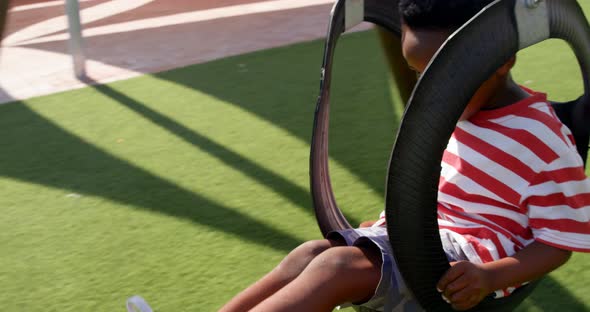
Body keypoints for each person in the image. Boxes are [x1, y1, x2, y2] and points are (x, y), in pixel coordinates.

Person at [218, 0, 590, 311]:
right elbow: (447, 191)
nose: (433, 93)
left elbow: (557, 244)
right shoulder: (457, 111)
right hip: (425, 237)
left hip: (462, 269)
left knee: (336, 268)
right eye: (418, 75)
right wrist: (387, 231)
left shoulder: (545, 141)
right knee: (311, 253)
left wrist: (490, 276)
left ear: (502, 59)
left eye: (446, 79)